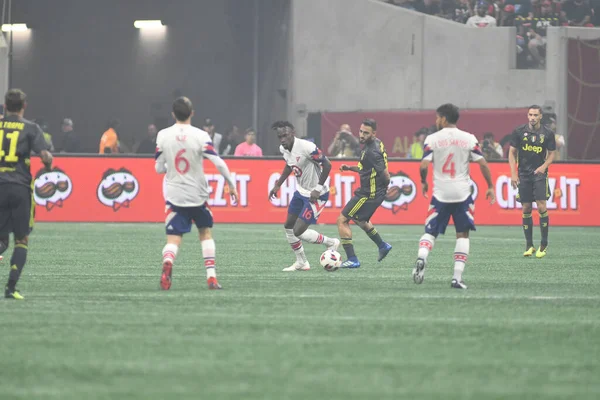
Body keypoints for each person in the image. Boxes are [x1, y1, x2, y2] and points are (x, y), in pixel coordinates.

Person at [155, 97, 239, 290]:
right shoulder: (201, 136)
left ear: (173, 114)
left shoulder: (163, 135)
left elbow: (159, 169)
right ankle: (211, 277)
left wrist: (170, 165)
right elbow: (218, 162)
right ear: (192, 113)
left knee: (174, 238)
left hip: (175, 194)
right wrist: (231, 185)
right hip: (197, 194)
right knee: (205, 233)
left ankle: (168, 262)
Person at [412, 104, 495, 290]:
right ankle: (456, 278)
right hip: (462, 193)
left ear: (443, 118)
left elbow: (424, 165)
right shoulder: (469, 138)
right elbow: (482, 163)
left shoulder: (432, 139)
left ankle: (422, 256)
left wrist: (423, 181)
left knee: (430, 232)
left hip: (440, 193)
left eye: (437, 118)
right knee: (462, 235)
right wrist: (490, 186)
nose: (435, 121)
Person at [0, 89, 53, 299]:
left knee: (1, 239)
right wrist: (48, 165)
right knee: (21, 240)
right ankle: (10, 289)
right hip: (19, 188)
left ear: (5, 105)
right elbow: (45, 155)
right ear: (24, 106)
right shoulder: (31, 128)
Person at [268, 120, 340, 272]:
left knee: (298, 230)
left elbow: (327, 164)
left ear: (293, 133)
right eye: (280, 136)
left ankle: (331, 242)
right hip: (301, 192)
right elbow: (289, 165)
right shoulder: (284, 148)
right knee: (288, 226)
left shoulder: (307, 147)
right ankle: (302, 262)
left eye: (285, 135)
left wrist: (317, 189)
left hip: (317, 195)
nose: (282, 139)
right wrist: (278, 184)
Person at [337, 119, 392, 268]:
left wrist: (381, 190)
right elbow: (364, 168)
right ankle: (382, 246)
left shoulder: (372, 151)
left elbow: (386, 175)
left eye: (365, 133)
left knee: (342, 219)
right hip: (370, 192)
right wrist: (349, 167)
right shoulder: (374, 144)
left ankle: (352, 259)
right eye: (361, 131)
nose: (361, 135)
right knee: (360, 220)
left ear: (374, 133)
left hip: (369, 194)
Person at [508, 105, 556, 258]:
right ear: (527, 116)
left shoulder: (548, 133)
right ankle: (529, 245)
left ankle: (543, 244)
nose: (533, 117)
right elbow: (511, 153)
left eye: (536, 115)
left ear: (540, 116)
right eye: (530, 115)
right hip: (524, 174)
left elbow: (552, 154)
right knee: (526, 208)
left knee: (541, 205)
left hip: (539, 174)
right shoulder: (518, 131)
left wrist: (543, 166)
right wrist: (513, 174)